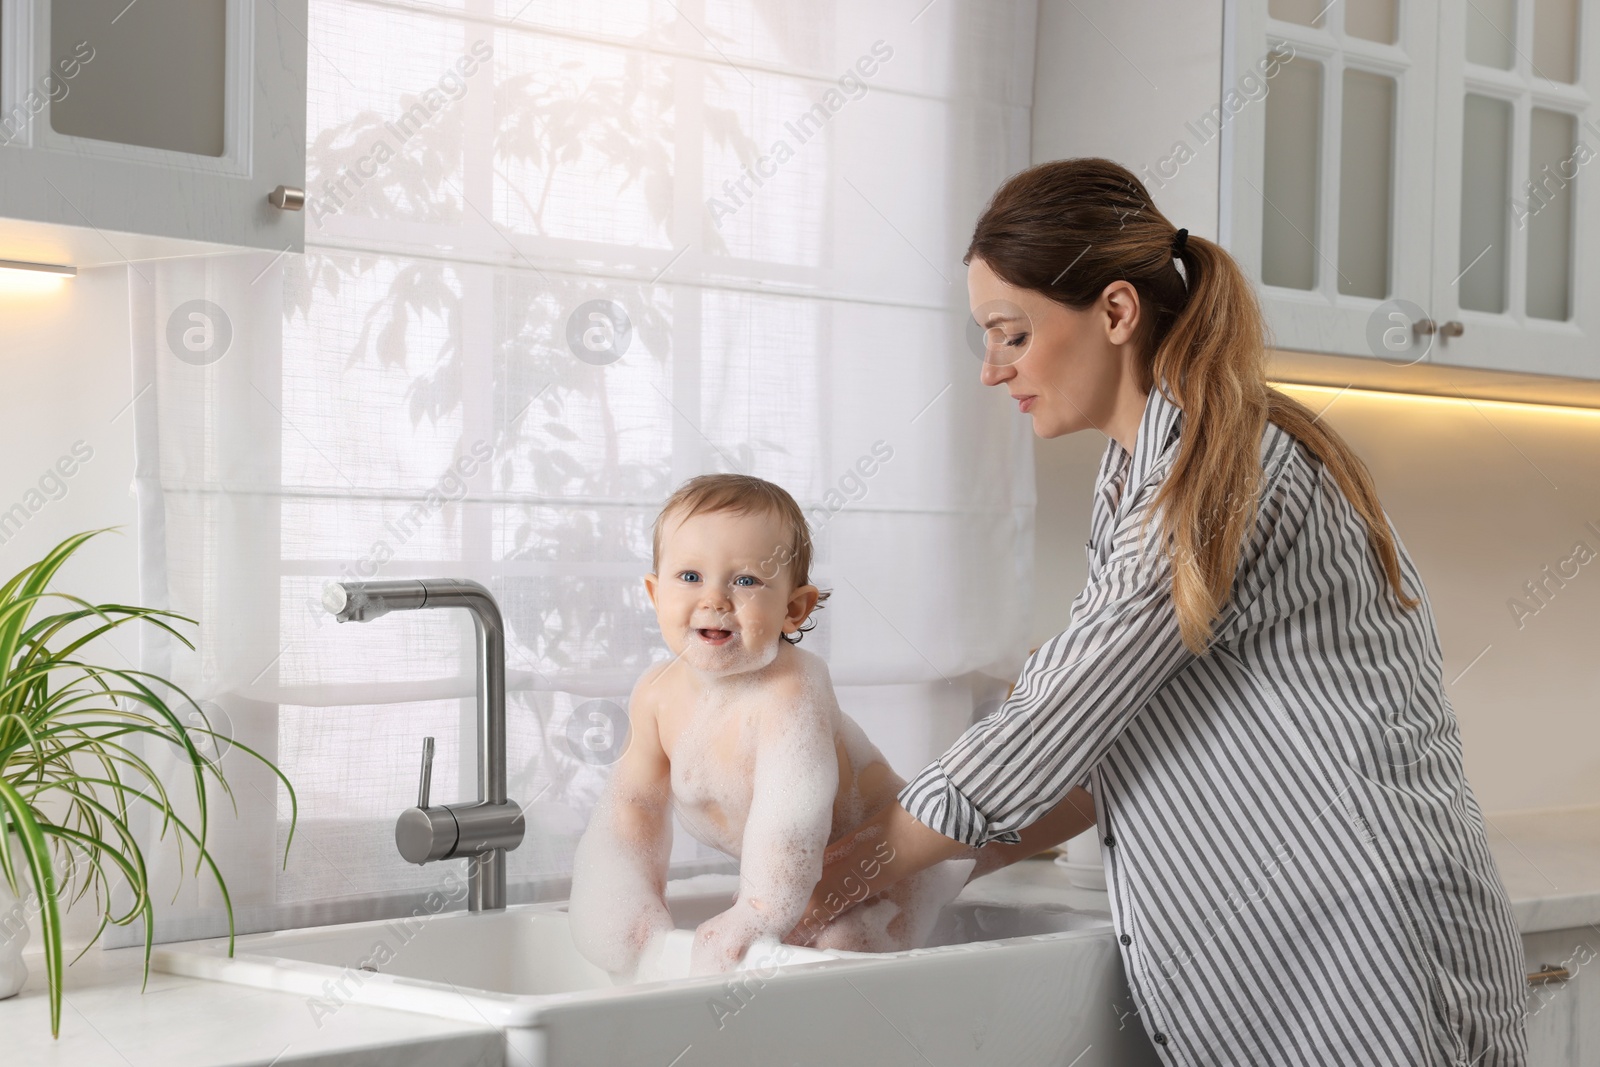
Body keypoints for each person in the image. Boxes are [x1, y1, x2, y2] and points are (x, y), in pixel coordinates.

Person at [786, 158, 1530, 1065]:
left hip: (1363, 943)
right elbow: (1111, 748)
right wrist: (936, 860)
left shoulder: (1218, 466)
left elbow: (1056, 717)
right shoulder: (1143, 468)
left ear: (1114, 313)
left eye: (1010, 334)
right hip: (1321, 936)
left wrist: (846, 869)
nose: (990, 371)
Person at [566, 474, 980, 980]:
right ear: (655, 594)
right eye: (690, 576)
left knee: (842, 945)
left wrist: (760, 910)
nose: (714, 599)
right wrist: (629, 906)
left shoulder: (792, 686)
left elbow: (791, 820)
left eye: (745, 581)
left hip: (888, 867)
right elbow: (634, 807)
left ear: (793, 609)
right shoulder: (655, 693)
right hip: (809, 881)